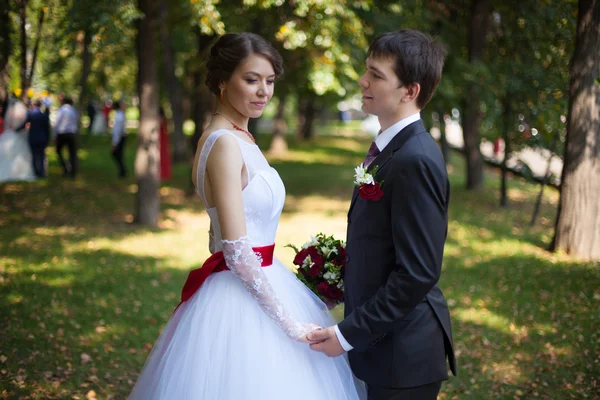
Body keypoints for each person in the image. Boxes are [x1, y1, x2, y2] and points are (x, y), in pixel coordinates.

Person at [129, 32, 365, 400]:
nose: (263, 91)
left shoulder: (242, 138)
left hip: (266, 280)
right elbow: (237, 249)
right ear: (223, 81)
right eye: (251, 79)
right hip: (240, 298)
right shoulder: (223, 143)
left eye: (269, 81)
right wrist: (291, 325)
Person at [308, 30, 457, 400]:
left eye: (376, 74)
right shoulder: (392, 149)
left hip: (402, 358)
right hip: (380, 348)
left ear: (410, 91)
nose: (363, 80)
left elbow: (418, 272)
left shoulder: (415, 159)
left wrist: (346, 334)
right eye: (366, 70)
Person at [0, 101, 36, 182]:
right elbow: (24, 124)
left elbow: (8, 125)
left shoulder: (9, 114)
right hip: (19, 134)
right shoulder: (22, 114)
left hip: (10, 134)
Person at [54, 97, 79, 178]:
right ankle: (73, 172)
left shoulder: (61, 110)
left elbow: (56, 123)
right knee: (72, 153)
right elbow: (75, 122)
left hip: (62, 133)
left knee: (58, 151)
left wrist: (54, 135)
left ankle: (65, 168)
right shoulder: (73, 110)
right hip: (71, 133)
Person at [25, 100, 51, 178]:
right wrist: (47, 139)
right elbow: (47, 130)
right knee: (42, 156)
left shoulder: (31, 114)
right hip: (42, 138)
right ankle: (42, 172)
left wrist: (16, 130)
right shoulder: (44, 116)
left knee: (34, 155)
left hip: (33, 138)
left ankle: (36, 172)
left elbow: (24, 124)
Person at [111, 100, 127, 178]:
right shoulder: (120, 114)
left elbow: (117, 130)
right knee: (118, 155)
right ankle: (122, 170)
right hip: (121, 137)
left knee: (116, 154)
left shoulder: (119, 116)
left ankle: (122, 171)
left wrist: (115, 142)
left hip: (120, 137)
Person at [159, 107, 172, 180]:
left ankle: (163, 174)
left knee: (163, 156)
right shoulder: (164, 119)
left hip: (162, 140)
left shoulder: (161, 119)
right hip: (163, 139)